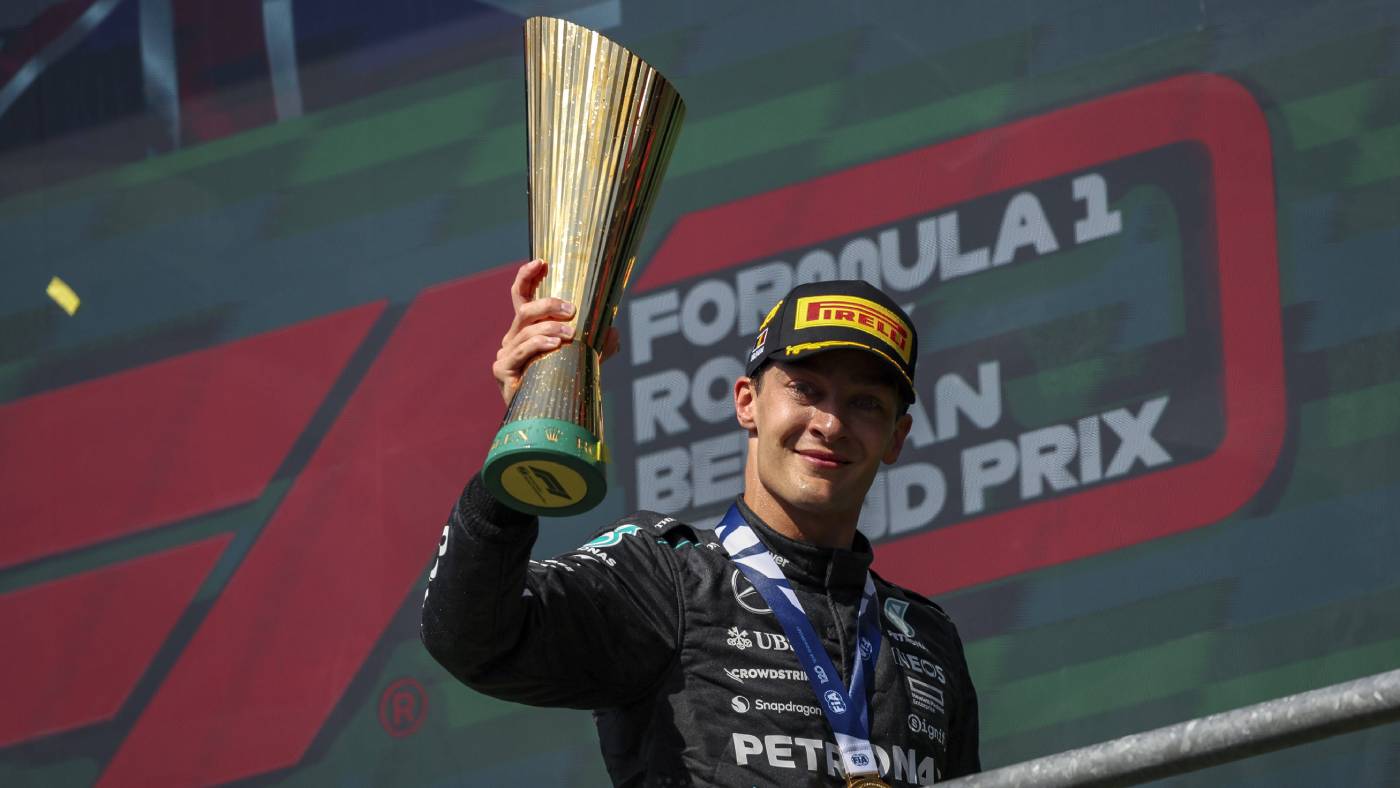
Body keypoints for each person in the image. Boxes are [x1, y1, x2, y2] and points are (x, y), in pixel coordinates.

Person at [421, 259, 980, 787]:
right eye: (806, 390)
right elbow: (472, 637)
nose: (831, 424)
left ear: (896, 438)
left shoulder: (926, 637)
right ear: (747, 402)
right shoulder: (663, 577)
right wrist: (526, 435)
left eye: (866, 404)